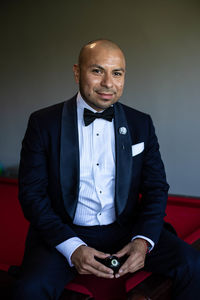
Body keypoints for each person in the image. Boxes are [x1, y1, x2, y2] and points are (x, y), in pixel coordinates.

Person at [13, 39, 200, 300]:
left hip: (126, 229)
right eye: (97, 71)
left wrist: (143, 241)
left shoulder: (140, 123)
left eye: (117, 73)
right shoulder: (43, 123)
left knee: (193, 264)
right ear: (77, 72)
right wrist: (73, 247)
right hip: (66, 230)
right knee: (29, 290)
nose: (108, 83)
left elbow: (156, 187)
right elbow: (32, 195)